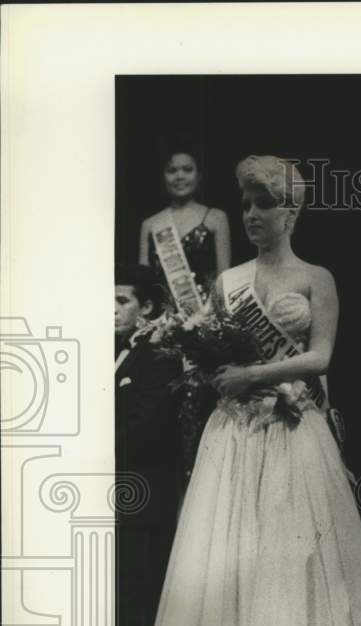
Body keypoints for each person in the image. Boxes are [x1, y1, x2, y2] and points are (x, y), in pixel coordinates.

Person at [128, 155, 361, 626]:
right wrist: (214, 375)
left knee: (295, 569)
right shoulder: (226, 282)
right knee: (233, 566)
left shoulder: (318, 277)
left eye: (264, 204)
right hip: (234, 435)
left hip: (293, 431)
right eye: (247, 204)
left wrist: (253, 371)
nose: (253, 215)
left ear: (292, 209)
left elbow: (320, 357)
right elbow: (208, 358)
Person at [114, 263, 182, 626]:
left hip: (144, 497)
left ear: (148, 309)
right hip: (118, 497)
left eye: (121, 301)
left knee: (142, 600)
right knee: (118, 603)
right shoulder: (116, 355)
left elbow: (142, 427)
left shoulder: (158, 358)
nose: (111, 310)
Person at [139, 146, 232, 480]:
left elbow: (224, 280)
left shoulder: (216, 218)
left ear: (199, 174)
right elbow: (144, 285)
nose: (179, 176)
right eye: (172, 169)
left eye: (187, 169)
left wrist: (212, 325)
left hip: (205, 328)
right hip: (163, 330)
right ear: (163, 177)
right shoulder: (151, 225)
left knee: (202, 410)